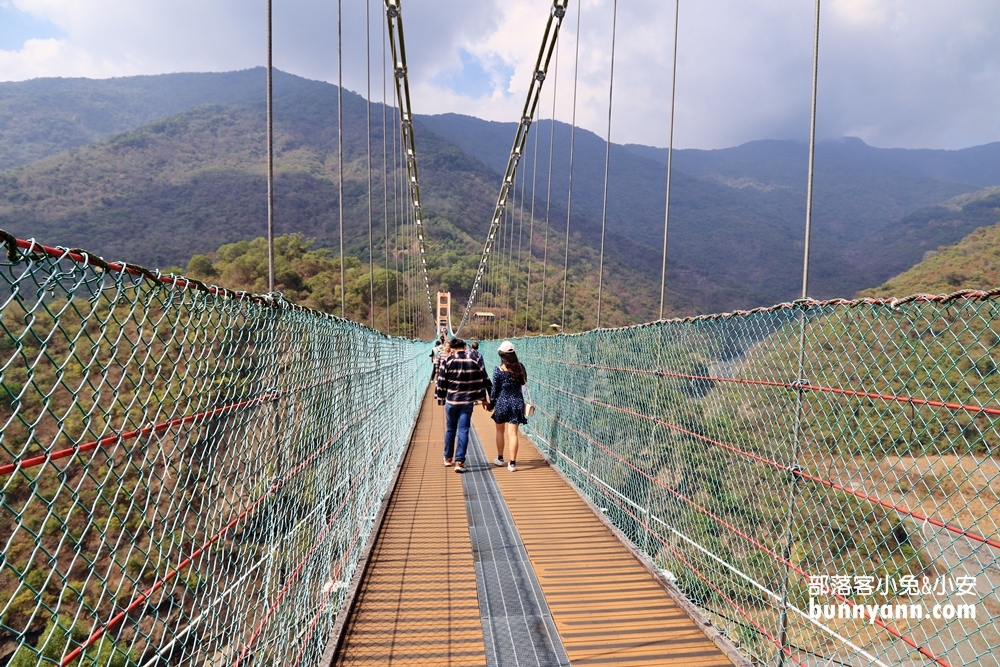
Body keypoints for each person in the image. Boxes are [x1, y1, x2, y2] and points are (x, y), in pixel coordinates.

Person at [435, 337, 491, 473]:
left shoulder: (448, 361)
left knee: (450, 429)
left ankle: (448, 458)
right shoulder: (473, 361)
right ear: (465, 347)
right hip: (467, 402)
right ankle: (459, 462)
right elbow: (483, 380)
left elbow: (441, 381)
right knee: (463, 430)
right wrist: (483, 398)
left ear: (452, 349)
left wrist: (441, 398)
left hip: (451, 401)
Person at [487, 340, 528, 472]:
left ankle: (500, 458)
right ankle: (512, 463)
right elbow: (523, 384)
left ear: (501, 355)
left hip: (502, 403)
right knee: (513, 434)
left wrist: (491, 403)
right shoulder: (520, 367)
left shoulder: (498, 370)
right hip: (516, 402)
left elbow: (494, 390)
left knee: (500, 431)